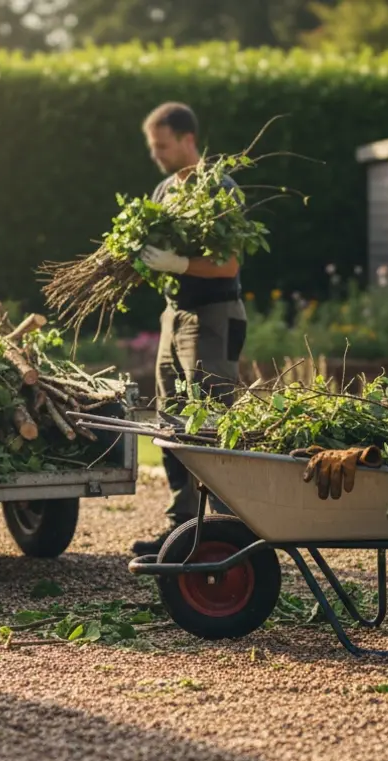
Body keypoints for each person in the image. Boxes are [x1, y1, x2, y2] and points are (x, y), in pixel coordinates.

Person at [130, 102, 248, 557]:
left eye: (162, 145)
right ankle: (181, 530)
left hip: (213, 317)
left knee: (211, 424)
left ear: (186, 140)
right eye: (152, 146)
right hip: (173, 315)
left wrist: (179, 263)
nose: (156, 154)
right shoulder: (165, 191)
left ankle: (224, 531)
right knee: (171, 421)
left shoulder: (220, 189)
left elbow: (230, 263)